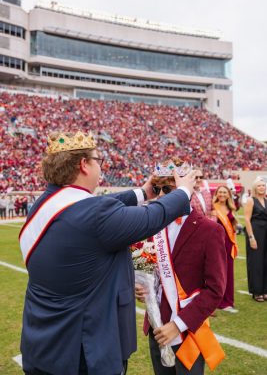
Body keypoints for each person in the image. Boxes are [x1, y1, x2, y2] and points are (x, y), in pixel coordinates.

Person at [19, 131, 196, 375]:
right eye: (97, 161)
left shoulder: (42, 205)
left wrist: (143, 193)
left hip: (42, 345)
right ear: (84, 165)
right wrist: (183, 191)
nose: (100, 168)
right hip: (85, 352)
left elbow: (98, 205)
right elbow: (149, 217)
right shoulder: (95, 214)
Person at [135, 158, 227, 375]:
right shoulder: (151, 224)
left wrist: (178, 325)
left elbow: (215, 289)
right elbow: (149, 272)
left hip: (188, 331)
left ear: (187, 191)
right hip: (157, 327)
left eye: (167, 189)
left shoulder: (209, 230)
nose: (159, 196)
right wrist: (140, 288)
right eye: (156, 189)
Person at [213, 185, 238, 313]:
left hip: (228, 243)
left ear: (228, 194)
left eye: (224, 192)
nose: (222, 194)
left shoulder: (231, 208)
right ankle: (217, 300)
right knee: (217, 273)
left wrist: (235, 243)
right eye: (220, 192)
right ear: (216, 194)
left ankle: (228, 301)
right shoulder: (213, 208)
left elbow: (233, 227)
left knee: (229, 272)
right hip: (216, 243)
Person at [244, 177, 267, 302]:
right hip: (255, 233)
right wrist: (251, 237)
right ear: (255, 188)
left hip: (266, 233)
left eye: (263, 185)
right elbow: (247, 219)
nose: (262, 188)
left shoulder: (266, 200)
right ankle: (257, 291)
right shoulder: (250, 200)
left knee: (265, 261)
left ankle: (264, 290)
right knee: (256, 262)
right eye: (259, 186)